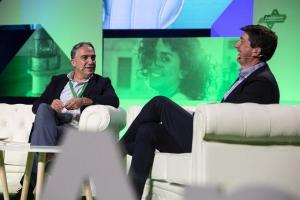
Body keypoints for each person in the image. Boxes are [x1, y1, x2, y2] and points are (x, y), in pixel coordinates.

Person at [119, 24, 280, 199]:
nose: (236, 44)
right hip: (207, 138)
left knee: (159, 103)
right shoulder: (249, 77)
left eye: (242, 41)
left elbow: (238, 122)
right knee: (148, 130)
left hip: (216, 146)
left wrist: (212, 111)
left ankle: (117, 150)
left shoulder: (262, 83)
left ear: (256, 51)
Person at [12, 42, 119, 200]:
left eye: (93, 57)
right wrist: (51, 104)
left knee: (39, 141)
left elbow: (113, 101)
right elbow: (36, 105)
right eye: (85, 57)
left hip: (74, 131)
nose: (91, 61)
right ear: (73, 62)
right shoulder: (58, 80)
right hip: (52, 127)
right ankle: (47, 155)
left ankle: (28, 188)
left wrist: (85, 100)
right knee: (43, 109)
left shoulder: (101, 82)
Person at [137, 38, 209, 100]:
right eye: (152, 55)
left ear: (184, 70)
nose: (154, 63)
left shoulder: (178, 102)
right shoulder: (166, 100)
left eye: (165, 59)